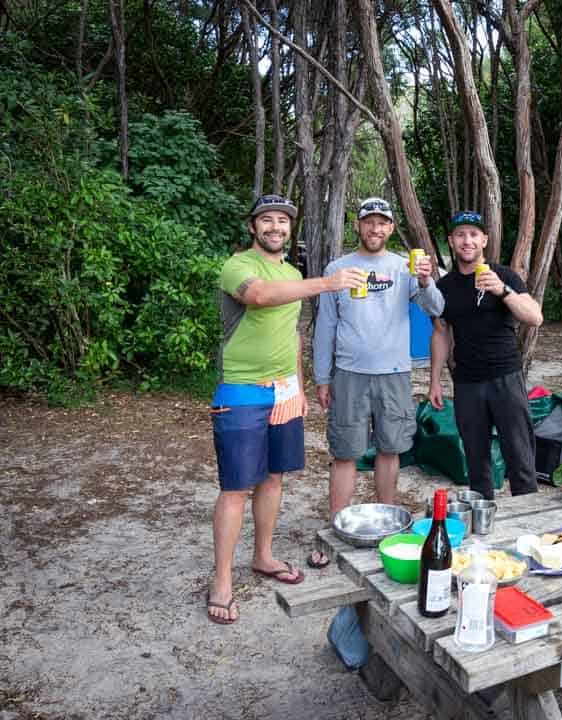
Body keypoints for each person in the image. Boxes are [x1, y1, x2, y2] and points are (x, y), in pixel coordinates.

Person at [207, 194, 366, 625]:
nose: (276, 227)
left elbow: (293, 333)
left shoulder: (292, 272)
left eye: (282, 220)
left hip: (283, 393)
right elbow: (259, 296)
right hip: (241, 390)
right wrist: (327, 283)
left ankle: (263, 555)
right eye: (267, 220)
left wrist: (297, 386)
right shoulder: (237, 266)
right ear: (252, 226)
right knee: (237, 487)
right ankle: (222, 579)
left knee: (274, 478)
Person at [309, 197, 444, 569]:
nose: (375, 228)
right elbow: (326, 328)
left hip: (394, 374)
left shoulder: (405, 266)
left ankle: (388, 527)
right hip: (349, 374)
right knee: (345, 453)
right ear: (358, 225)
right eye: (369, 222)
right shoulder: (338, 268)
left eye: (382, 223)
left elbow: (436, 309)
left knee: (390, 448)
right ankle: (336, 530)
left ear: (390, 227)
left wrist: (426, 280)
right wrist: (323, 377)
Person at [427, 210, 543, 500]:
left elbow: (535, 317)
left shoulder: (504, 276)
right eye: (460, 235)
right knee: (476, 461)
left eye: (473, 234)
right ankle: (484, 521)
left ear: (484, 240)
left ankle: (527, 515)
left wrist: (502, 290)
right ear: (452, 242)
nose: (467, 241)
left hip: (506, 377)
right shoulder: (445, 287)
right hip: (467, 383)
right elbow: (441, 333)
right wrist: (435, 381)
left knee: (520, 455)